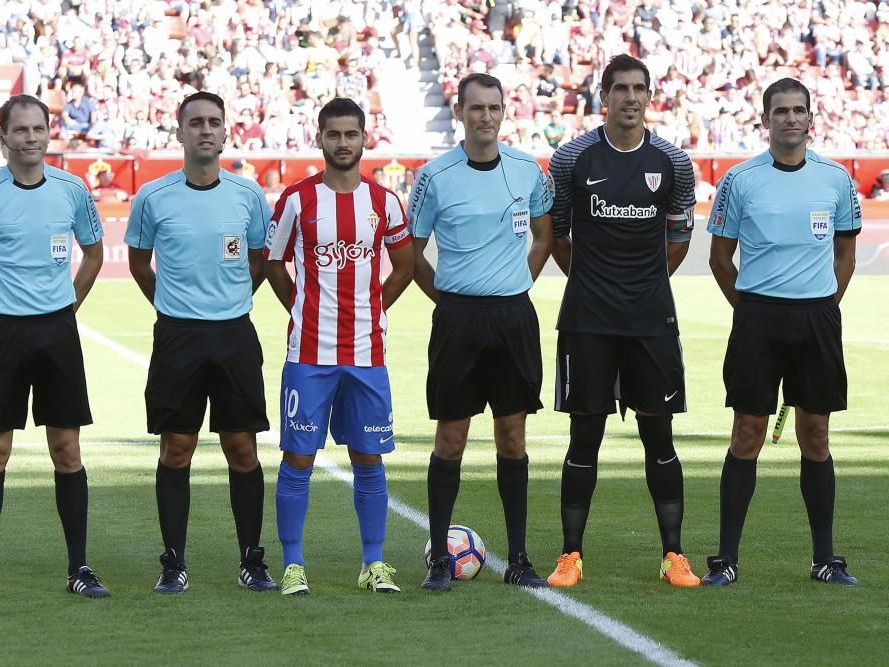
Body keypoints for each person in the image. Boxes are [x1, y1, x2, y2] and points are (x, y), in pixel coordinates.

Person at [0, 94, 108, 599]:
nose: (31, 137)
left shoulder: (72, 190)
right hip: (3, 334)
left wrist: (67, 307)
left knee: (67, 450)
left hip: (58, 332)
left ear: (48, 133)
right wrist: (0, 303)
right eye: (21, 130)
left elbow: (94, 253)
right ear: (4, 137)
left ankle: (78, 568)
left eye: (39, 128)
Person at [546, 54, 700, 588]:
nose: (630, 98)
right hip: (587, 320)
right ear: (603, 97)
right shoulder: (572, 159)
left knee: (659, 435)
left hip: (651, 320)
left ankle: (674, 556)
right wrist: (592, 283)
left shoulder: (675, 163)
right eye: (620, 89)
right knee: (583, 434)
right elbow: (558, 236)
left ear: (649, 97)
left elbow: (679, 238)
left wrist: (643, 284)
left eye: (639, 89)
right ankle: (570, 555)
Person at [703, 78, 862, 586]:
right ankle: (726, 560)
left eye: (799, 110)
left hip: (816, 319)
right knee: (747, 434)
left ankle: (824, 560)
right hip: (758, 320)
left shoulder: (835, 179)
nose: (791, 118)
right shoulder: (740, 179)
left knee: (815, 435)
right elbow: (720, 258)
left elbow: (845, 252)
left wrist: (824, 306)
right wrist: (750, 310)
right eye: (781, 111)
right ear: (765, 118)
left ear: (810, 118)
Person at [125, 91, 277, 595]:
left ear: (226, 130)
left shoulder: (249, 196)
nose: (205, 130)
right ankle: (173, 562)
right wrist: (172, 307)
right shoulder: (153, 196)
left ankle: (251, 560)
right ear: (180, 130)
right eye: (196, 122)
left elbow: (259, 263)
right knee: (177, 448)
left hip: (233, 335)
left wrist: (226, 302)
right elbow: (139, 264)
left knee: (242, 447)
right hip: (177, 336)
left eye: (214, 121)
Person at [264, 97, 415, 596]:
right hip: (308, 356)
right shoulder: (296, 200)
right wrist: (300, 309)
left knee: (368, 458)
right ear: (320, 138)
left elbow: (405, 265)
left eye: (352, 134)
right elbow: (273, 264)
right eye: (335, 135)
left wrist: (375, 309)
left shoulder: (385, 202)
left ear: (365, 138)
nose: (343, 143)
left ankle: (374, 563)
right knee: (298, 458)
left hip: (367, 355)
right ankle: (293, 565)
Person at [408, 73, 553, 592]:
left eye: (494, 107)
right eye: (476, 108)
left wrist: (518, 282)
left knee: (512, 437)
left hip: (514, 317)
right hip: (459, 321)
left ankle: (519, 557)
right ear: (460, 112)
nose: (485, 116)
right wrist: (447, 300)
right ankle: (439, 560)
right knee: (451, 437)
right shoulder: (434, 176)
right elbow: (412, 250)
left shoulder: (527, 170)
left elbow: (543, 231)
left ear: (504, 110)